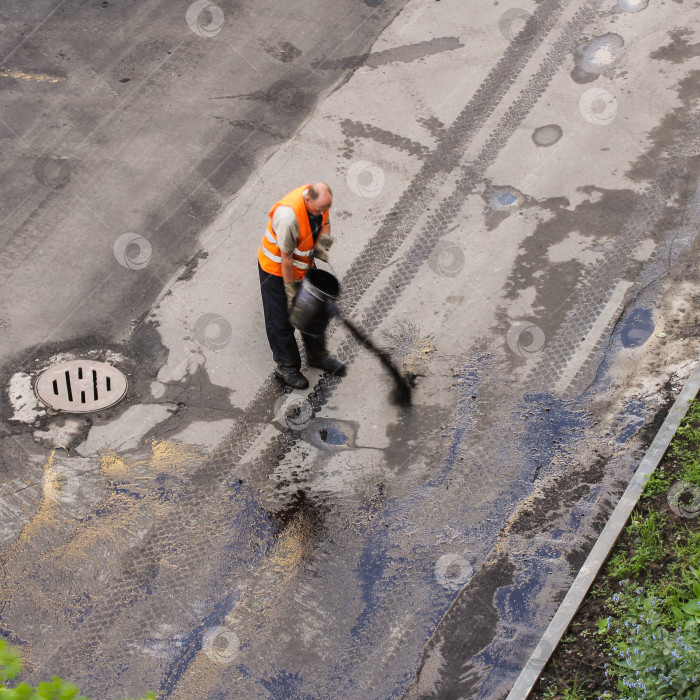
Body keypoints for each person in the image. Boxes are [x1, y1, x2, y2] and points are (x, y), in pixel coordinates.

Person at [257, 182, 346, 389]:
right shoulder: (288, 218)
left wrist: (323, 247)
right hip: (277, 269)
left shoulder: (320, 200)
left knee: (313, 311)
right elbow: (285, 258)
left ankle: (317, 356)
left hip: (303, 264)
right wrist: (290, 291)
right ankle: (287, 367)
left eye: (326, 207)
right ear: (308, 200)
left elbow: (326, 222)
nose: (323, 211)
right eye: (320, 209)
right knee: (281, 319)